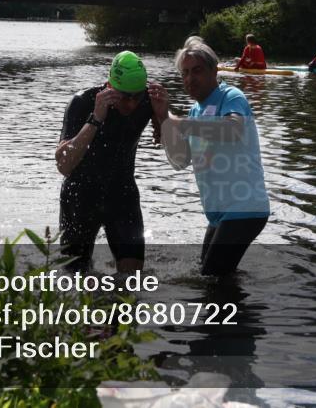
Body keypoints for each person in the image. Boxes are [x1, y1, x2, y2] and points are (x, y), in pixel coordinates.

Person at [152, 36, 270, 276]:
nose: (189, 79)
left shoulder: (231, 96)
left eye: (197, 71)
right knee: (209, 276)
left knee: (213, 277)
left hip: (244, 208)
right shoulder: (196, 109)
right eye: (185, 73)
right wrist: (165, 125)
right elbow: (181, 160)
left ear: (214, 70)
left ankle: (240, 314)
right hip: (219, 212)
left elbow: (234, 130)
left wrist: (180, 124)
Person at [55, 51, 166, 273]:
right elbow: (64, 165)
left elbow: (173, 149)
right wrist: (96, 119)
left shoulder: (149, 100)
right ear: (109, 87)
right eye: (124, 96)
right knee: (74, 276)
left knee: (132, 278)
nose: (132, 103)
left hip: (122, 194)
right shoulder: (82, 102)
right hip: (80, 197)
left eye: (137, 96)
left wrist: (163, 116)